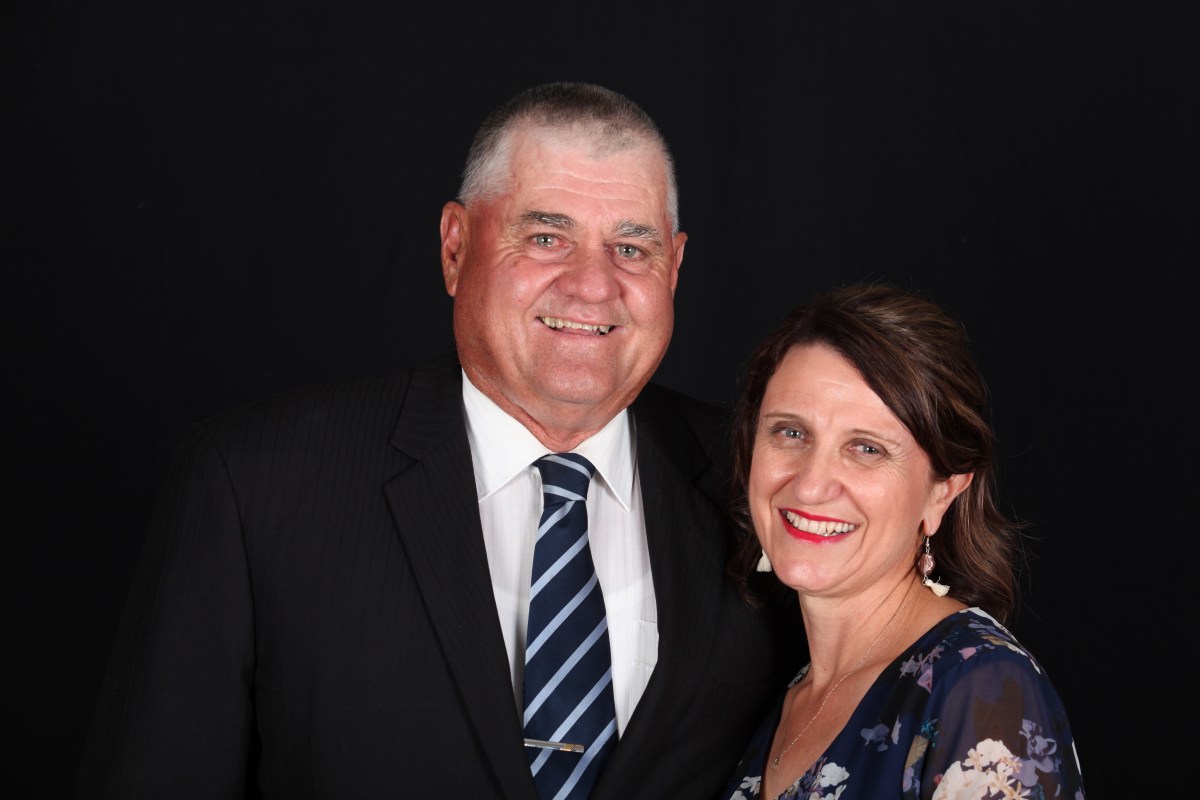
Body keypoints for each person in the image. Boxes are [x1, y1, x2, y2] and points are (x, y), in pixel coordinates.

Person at [73, 82, 801, 799]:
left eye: (632, 248)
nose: (592, 285)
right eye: (546, 238)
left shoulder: (764, 481)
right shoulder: (254, 484)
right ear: (455, 248)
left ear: (675, 266)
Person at [717, 282, 1086, 800]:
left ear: (942, 492)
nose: (810, 485)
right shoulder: (790, 692)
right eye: (791, 433)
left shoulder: (979, 689)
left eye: (866, 448)